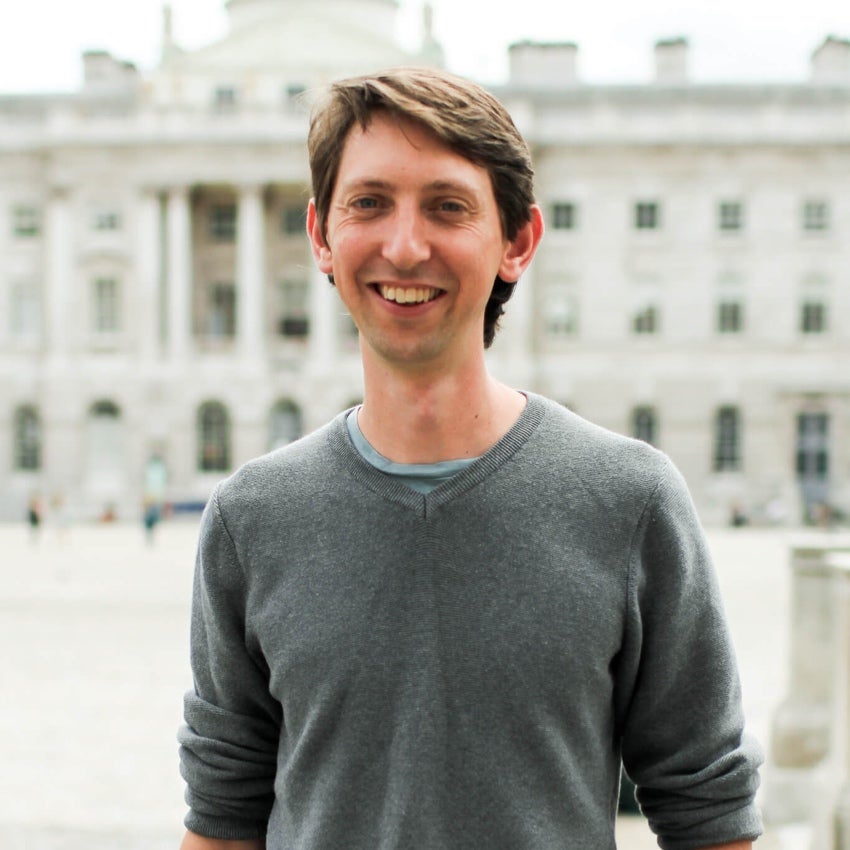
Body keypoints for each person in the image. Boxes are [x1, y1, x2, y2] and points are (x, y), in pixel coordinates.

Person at [178, 67, 763, 850]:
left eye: (447, 207)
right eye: (370, 203)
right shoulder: (251, 519)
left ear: (517, 242)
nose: (405, 245)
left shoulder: (629, 500)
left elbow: (708, 810)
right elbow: (222, 816)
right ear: (320, 236)